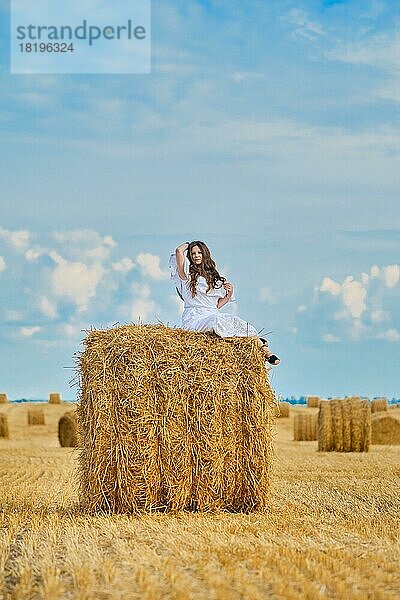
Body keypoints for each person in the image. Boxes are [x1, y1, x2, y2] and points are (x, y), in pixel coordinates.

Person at [168, 241, 280, 365]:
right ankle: (257, 342)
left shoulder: (213, 278)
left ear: (205, 254)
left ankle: (264, 350)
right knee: (216, 321)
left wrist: (229, 294)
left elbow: (216, 305)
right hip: (195, 318)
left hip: (212, 313)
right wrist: (188, 244)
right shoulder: (186, 276)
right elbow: (179, 251)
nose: (196, 255)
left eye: (199, 252)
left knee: (236, 321)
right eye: (193, 253)